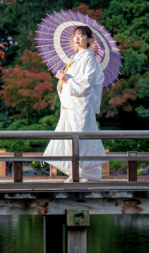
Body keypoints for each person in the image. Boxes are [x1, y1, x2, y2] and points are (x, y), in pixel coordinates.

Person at [43, 25, 106, 182]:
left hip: (81, 105)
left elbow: (87, 82)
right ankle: (78, 172)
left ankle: (88, 173)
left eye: (82, 36)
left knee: (82, 137)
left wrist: (67, 79)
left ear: (89, 40)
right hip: (71, 104)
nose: (78, 39)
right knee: (71, 138)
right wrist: (62, 79)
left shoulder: (89, 58)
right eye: (76, 36)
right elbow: (68, 80)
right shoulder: (74, 57)